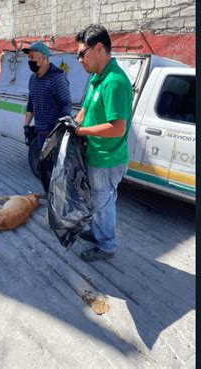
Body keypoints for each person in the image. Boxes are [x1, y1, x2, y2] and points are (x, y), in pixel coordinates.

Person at [64, 24, 133, 262]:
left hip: (107, 158)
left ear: (100, 48)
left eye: (82, 53)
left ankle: (107, 245)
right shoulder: (97, 77)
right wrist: (75, 122)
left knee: (104, 203)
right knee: (97, 199)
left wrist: (81, 131)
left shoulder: (114, 82)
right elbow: (86, 107)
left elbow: (118, 128)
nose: (80, 59)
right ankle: (97, 232)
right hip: (95, 154)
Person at [22, 42, 72, 148]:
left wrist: (58, 133)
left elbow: (66, 105)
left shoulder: (57, 77)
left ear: (43, 58)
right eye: (29, 57)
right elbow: (31, 102)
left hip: (54, 135)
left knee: (54, 163)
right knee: (43, 163)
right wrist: (26, 125)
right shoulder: (33, 78)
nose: (30, 61)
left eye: (32, 57)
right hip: (39, 133)